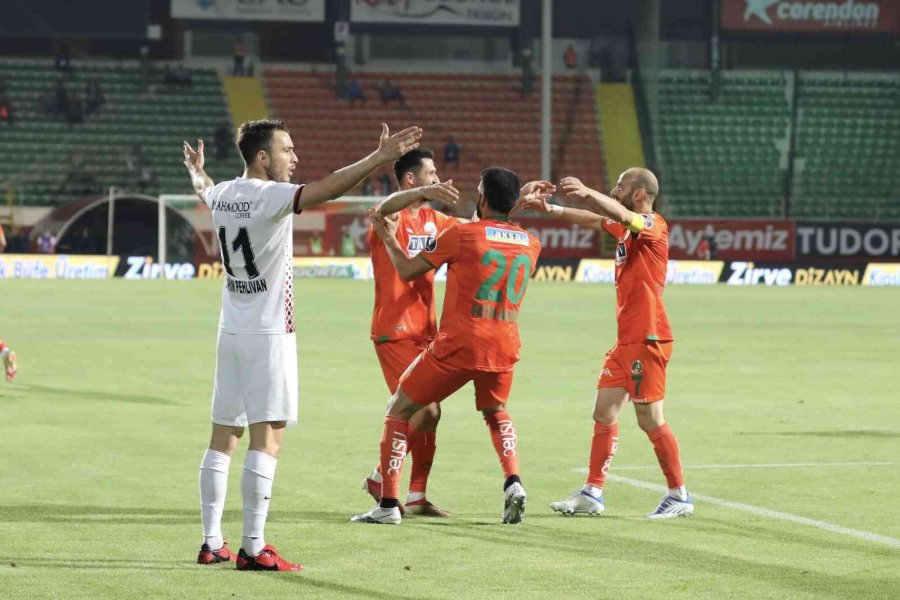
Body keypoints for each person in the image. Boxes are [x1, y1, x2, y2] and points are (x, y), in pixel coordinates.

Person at [183, 119, 422, 570]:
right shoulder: (269, 195)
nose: (295, 159)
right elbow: (327, 190)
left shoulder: (225, 194)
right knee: (268, 440)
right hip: (269, 335)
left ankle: (212, 541)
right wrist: (378, 158)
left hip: (230, 333)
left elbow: (203, 188)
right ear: (262, 158)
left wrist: (197, 169)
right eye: (287, 150)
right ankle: (253, 548)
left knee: (222, 438)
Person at [351, 168, 552, 526]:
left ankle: (387, 503)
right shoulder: (531, 244)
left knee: (399, 408)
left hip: (459, 343)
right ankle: (513, 483)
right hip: (505, 346)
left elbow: (409, 269)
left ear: (484, 198)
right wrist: (516, 202)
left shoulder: (461, 234)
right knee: (496, 411)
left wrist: (388, 238)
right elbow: (497, 229)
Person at [519, 168, 694, 519]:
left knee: (649, 418)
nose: (615, 190)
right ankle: (592, 492)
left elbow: (620, 215)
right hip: (626, 341)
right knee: (604, 412)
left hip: (649, 337)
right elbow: (597, 220)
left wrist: (588, 190)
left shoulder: (653, 225)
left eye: (621, 186)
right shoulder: (628, 233)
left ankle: (679, 495)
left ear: (641, 192)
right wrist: (551, 210)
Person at [359, 149, 461, 517]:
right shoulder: (387, 217)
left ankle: (416, 496)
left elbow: (478, 227)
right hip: (395, 330)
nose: (437, 179)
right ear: (410, 180)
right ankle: (384, 482)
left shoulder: (438, 221)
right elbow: (384, 206)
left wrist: (516, 203)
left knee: (429, 414)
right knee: (424, 410)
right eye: (431, 173)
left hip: (428, 332)